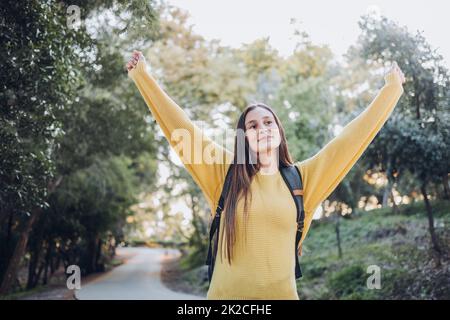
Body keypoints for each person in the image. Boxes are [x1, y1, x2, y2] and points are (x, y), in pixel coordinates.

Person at [126, 50, 405, 299]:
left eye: (268, 122)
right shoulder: (224, 173)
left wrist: (391, 90)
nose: (262, 129)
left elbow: (349, 142)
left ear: (279, 131)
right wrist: (143, 77)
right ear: (243, 137)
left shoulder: (302, 179)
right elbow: (181, 129)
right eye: (253, 126)